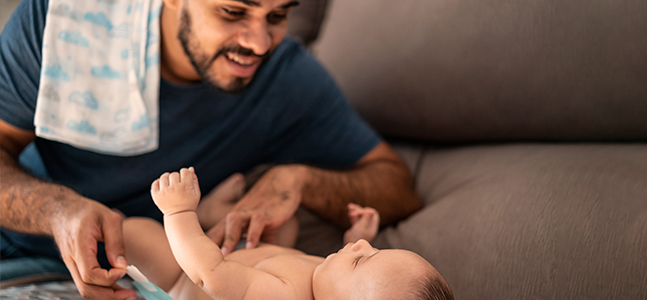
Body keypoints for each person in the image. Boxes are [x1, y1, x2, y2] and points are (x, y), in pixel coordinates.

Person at [0, 0, 422, 299]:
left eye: (278, 15)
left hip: (146, 273)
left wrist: (297, 179)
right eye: (233, 11)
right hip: (18, 245)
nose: (259, 43)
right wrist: (59, 212)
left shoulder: (289, 81)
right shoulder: (59, 23)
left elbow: (397, 186)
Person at [121, 167, 453, 300]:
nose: (363, 245)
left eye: (360, 261)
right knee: (283, 223)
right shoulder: (332, 285)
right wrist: (352, 235)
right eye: (374, 250)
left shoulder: (282, 296)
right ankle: (212, 214)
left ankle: (198, 216)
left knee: (137, 232)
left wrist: (178, 212)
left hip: (188, 276)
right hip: (249, 253)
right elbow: (346, 278)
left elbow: (210, 275)